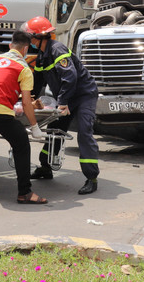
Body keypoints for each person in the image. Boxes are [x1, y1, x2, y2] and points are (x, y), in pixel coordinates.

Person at [23, 16, 100, 195]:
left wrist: (63, 102)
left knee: (84, 132)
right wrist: (28, 98)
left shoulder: (57, 49)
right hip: (67, 96)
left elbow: (70, 77)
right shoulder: (42, 55)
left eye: (31, 36)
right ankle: (45, 167)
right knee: (54, 130)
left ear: (41, 36)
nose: (29, 40)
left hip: (83, 95)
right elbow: (38, 81)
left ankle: (91, 177)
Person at [0, 30, 47, 204]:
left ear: (10, 46)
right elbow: (27, 103)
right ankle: (25, 193)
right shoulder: (24, 68)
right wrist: (34, 126)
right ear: (25, 49)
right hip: (0, 112)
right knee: (21, 144)